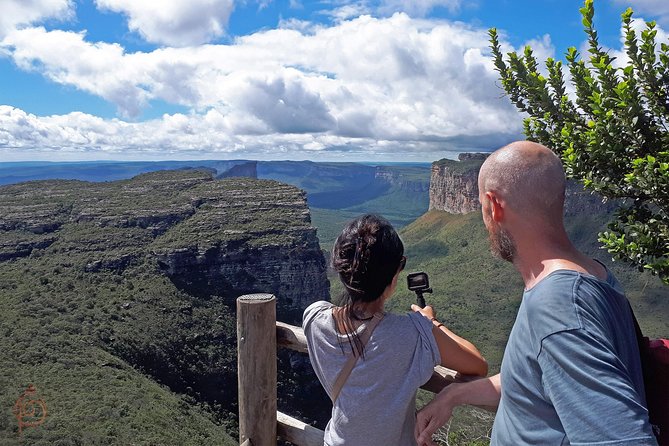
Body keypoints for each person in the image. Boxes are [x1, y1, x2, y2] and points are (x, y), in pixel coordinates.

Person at [415, 141, 658, 446]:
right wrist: (455, 393)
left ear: (494, 205)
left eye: (481, 207)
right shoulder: (593, 273)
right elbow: (541, 379)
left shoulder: (558, 305)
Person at [303, 213, 488, 445]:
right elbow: (477, 364)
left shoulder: (314, 318)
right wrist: (429, 323)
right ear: (393, 277)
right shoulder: (411, 333)